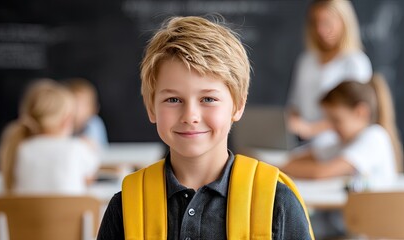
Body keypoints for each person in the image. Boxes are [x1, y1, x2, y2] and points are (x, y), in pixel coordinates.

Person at [97, 16, 314, 239]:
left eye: (208, 99)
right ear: (151, 108)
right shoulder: (126, 206)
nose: (190, 116)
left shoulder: (276, 201)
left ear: (238, 106)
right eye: (173, 100)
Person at [281, 74, 402, 239]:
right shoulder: (344, 141)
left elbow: (321, 172)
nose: (331, 127)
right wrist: (286, 167)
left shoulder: (374, 136)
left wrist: (283, 168)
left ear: (361, 112)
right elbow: (297, 160)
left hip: (373, 231)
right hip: (352, 225)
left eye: (336, 120)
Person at [287, 0, 372, 144]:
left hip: (337, 144)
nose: (321, 29)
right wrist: (293, 122)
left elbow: (356, 116)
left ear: (344, 22)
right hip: (302, 144)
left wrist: (311, 129)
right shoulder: (306, 61)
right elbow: (294, 103)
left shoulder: (356, 62)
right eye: (315, 23)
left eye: (327, 22)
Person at [0, 78, 100, 195]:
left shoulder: (17, 148)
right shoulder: (77, 148)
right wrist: (90, 148)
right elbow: (90, 178)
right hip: (69, 213)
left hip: (25, 213)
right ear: (66, 121)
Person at [63, 77, 109, 150]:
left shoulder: (94, 123)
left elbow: (95, 147)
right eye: (74, 104)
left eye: (81, 105)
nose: (77, 109)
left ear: (93, 108)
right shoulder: (64, 123)